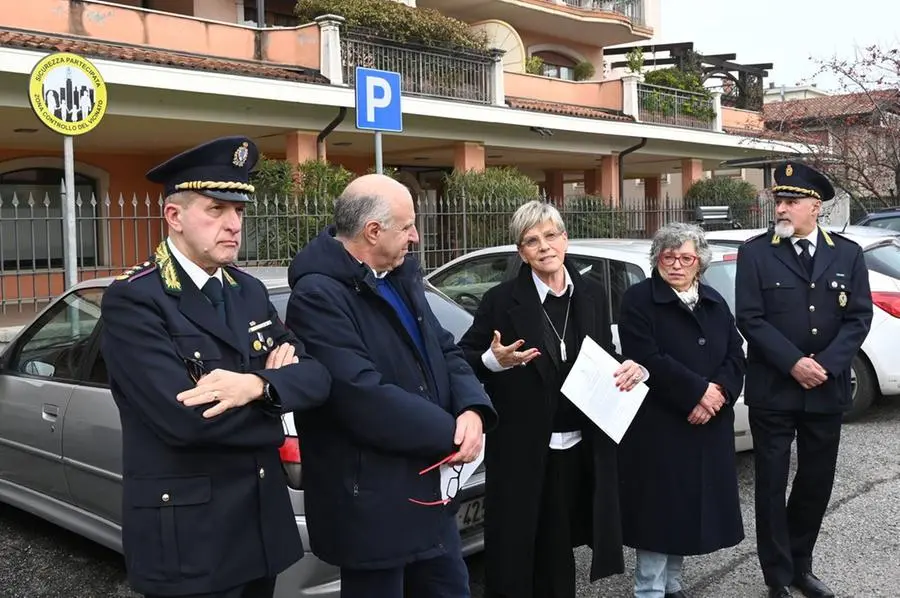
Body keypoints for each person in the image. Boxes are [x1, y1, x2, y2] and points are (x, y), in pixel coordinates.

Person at [100, 136, 332, 598]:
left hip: (259, 526)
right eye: (216, 209)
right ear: (174, 217)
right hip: (191, 538)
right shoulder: (135, 299)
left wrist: (253, 386)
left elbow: (317, 377)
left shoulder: (247, 290)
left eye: (239, 211)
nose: (233, 224)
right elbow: (186, 421)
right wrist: (277, 402)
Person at [284, 174, 498, 598]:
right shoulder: (318, 297)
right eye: (408, 227)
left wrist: (473, 410)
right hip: (373, 506)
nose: (416, 237)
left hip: (429, 498)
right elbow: (360, 396)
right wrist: (451, 433)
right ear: (373, 231)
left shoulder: (399, 277)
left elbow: (447, 351)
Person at [457, 200, 647, 598]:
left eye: (550, 235)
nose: (543, 246)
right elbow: (461, 362)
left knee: (560, 551)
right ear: (521, 253)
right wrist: (494, 360)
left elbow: (600, 356)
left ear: (565, 238)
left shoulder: (592, 293)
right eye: (531, 240)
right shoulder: (500, 300)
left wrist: (632, 369)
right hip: (522, 450)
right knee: (513, 551)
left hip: (577, 448)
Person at [735, 162, 873, 598]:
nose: (782, 208)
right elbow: (750, 318)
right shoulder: (756, 252)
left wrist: (827, 365)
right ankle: (776, 576)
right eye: (779, 200)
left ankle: (801, 564)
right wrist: (794, 363)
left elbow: (858, 317)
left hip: (825, 389)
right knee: (771, 483)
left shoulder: (846, 253)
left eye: (791, 201)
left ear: (816, 207)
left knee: (816, 480)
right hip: (774, 389)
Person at [617, 222, 746, 598]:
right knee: (659, 516)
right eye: (668, 257)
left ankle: (673, 587)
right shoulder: (638, 299)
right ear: (657, 260)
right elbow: (645, 356)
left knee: (688, 513)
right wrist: (696, 393)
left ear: (699, 262)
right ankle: (649, 591)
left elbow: (734, 353)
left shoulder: (713, 300)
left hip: (705, 426)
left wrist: (718, 393)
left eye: (685, 258)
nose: (676, 265)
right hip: (661, 428)